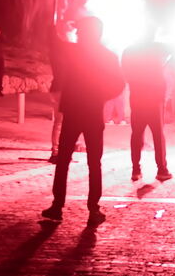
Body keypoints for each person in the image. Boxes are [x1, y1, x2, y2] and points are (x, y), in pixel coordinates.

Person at [43, 17, 124, 225]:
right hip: (92, 113)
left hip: (74, 112)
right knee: (93, 163)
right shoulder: (108, 56)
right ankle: (93, 208)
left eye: (80, 31)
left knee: (63, 162)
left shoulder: (75, 51)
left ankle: (57, 206)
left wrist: (55, 25)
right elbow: (118, 84)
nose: (77, 34)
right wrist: (101, 96)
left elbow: (54, 42)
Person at [122, 31, 172, 182]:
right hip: (155, 98)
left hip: (137, 97)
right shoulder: (157, 48)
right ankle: (162, 169)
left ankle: (135, 169)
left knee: (136, 133)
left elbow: (125, 73)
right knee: (158, 134)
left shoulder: (129, 51)